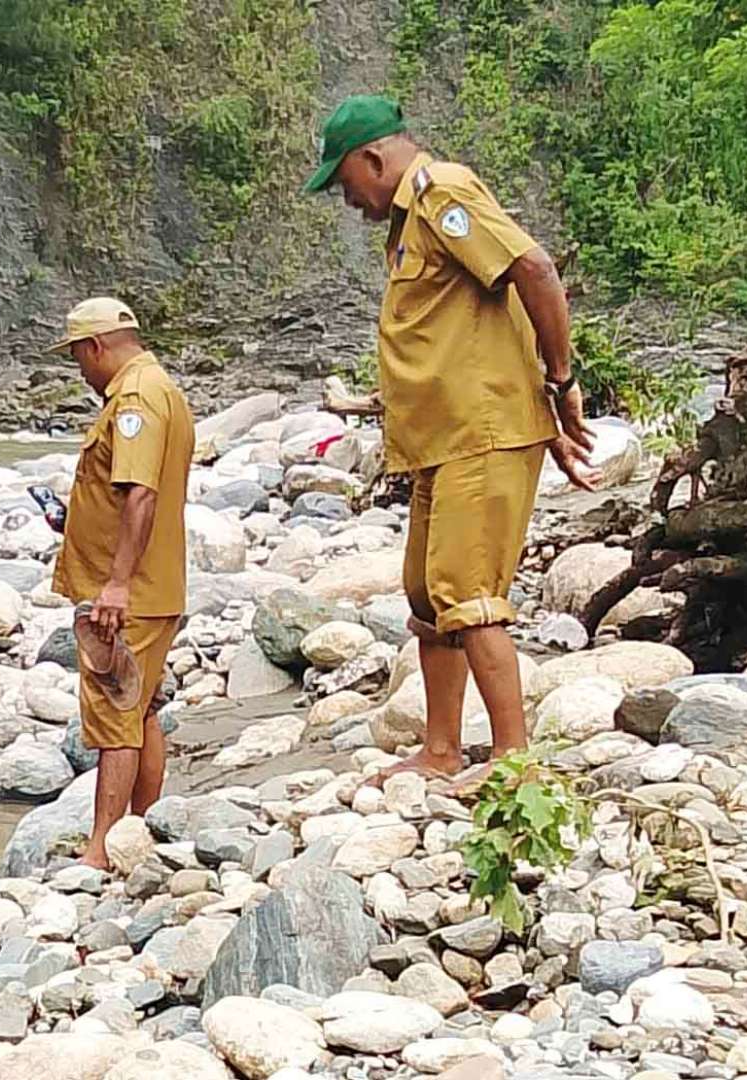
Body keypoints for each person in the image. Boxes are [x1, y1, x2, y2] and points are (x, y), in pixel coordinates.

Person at [301, 95, 602, 790]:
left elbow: (534, 271)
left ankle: (512, 761)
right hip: (443, 439)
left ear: (373, 158)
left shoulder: (445, 195)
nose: (348, 200)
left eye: (346, 182)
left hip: (482, 432)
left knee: (468, 592)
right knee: (427, 596)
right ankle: (441, 751)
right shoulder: (411, 222)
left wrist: (561, 382)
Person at [46, 297, 194, 871]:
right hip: (152, 585)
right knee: (141, 709)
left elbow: (141, 493)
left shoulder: (134, 398)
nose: (81, 372)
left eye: (78, 359)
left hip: (129, 595)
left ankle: (101, 847)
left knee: (113, 714)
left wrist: (114, 586)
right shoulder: (162, 388)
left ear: (94, 348)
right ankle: (139, 832)